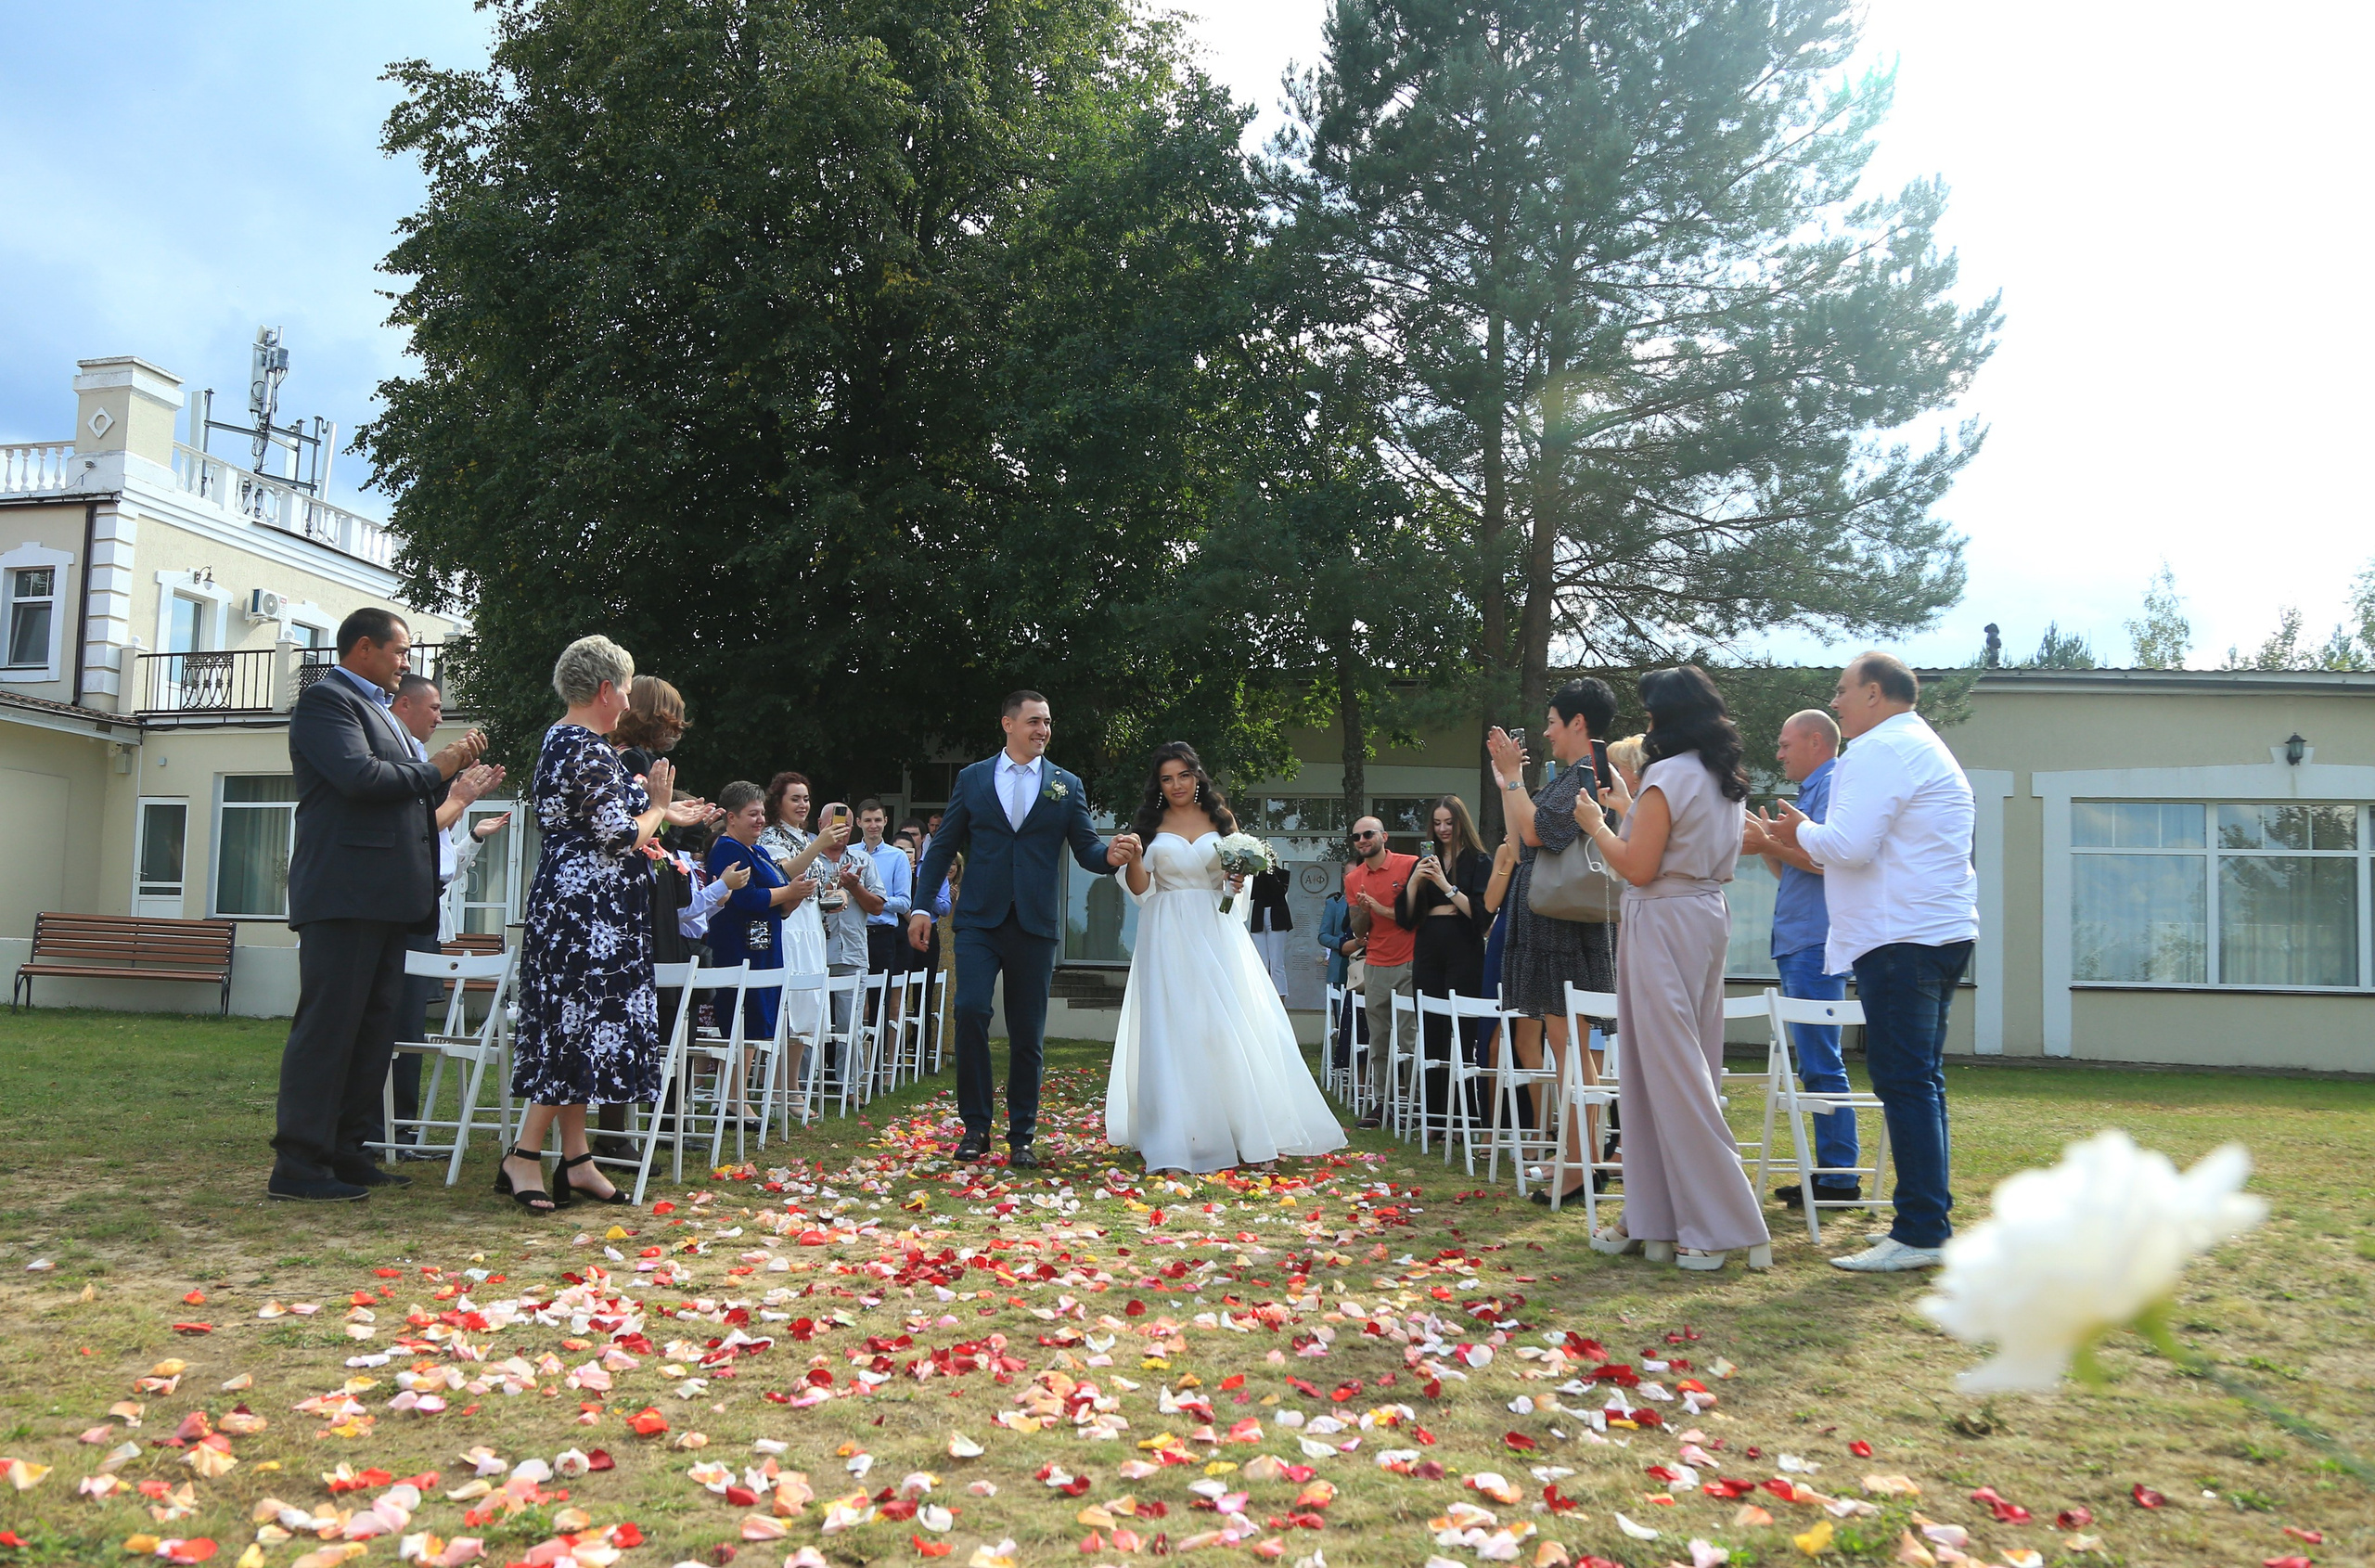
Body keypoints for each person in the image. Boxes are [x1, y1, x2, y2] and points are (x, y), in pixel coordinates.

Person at [1764, 653, 1979, 1274]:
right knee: (1920, 1081)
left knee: (1904, 1082)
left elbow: (1849, 847)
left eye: (1842, 690)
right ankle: (1927, 1221)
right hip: (1937, 932)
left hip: (1899, 938)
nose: (1835, 702)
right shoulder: (1924, 745)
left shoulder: (1877, 749)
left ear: (1875, 694)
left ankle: (1921, 1230)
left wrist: (1799, 831)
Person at [269, 608, 486, 1202]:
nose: (406, 662)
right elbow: (362, 780)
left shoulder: (381, 711)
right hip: (346, 895)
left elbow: (404, 793)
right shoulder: (327, 702)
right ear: (363, 648)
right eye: (400, 651)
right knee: (330, 1030)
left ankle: (348, 1150)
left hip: (389, 899)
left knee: (372, 1033)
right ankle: (299, 1163)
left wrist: (444, 774)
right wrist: (439, 766)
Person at [1571, 666, 1771, 1270]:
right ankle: (1655, 1216)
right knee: (1673, 1066)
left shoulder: (1668, 776)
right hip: (1704, 915)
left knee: (1672, 1071)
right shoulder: (1723, 779)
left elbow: (1637, 866)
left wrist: (1597, 826)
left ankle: (1720, 1222)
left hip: (1662, 918)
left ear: (1666, 716)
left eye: (1651, 711)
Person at [502, 636, 710, 1214]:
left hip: (584, 908)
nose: (628, 700)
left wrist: (662, 812)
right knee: (575, 1027)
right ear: (604, 690)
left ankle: (577, 1159)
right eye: (624, 688)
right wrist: (659, 808)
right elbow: (617, 835)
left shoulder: (572, 741)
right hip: (586, 914)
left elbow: (610, 820)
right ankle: (523, 1154)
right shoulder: (584, 746)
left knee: (581, 1028)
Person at [909, 690, 1134, 1168]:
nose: (1043, 730)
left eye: (1047, 722)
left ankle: (1022, 1136)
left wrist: (1111, 856)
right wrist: (921, 908)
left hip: (1034, 923)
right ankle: (975, 1128)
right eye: (1034, 721)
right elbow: (943, 846)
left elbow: (1087, 849)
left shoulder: (1066, 784)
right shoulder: (973, 778)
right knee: (970, 1010)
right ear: (1008, 724)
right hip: (978, 920)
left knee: (1027, 1033)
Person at [1105, 743, 1346, 1174]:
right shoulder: (1149, 825)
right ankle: (1176, 1138)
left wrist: (1237, 879)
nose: (1176, 785)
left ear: (1197, 776)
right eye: (1167, 778)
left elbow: (1237, 884)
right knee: (1173, 1028)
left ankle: (1248, 1132)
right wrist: (1137, 858)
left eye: (1183, 775)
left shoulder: (1221, 820)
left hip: (1216, 930)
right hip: (1166, 932)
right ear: (1158, 784)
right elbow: (1140, 889)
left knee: (1225, 1025)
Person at [1483, 678, 1619, 1186]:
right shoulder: (1569, 776)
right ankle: (1579, 1156)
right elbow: (1519, 840)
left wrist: (1515, 779)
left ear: (1577, 722)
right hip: (1549, 925)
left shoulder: (1588, 773)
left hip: (1564, 931)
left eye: (1553, 722)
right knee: (1566, 1047)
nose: (1546, 732)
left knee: (1570, 1047)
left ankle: (1581, 1163)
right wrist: (1507, 782)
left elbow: (1539, 832)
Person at [382, 671, 506, 1159]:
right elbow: (412, 834)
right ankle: (386, 1130)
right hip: (396, 909)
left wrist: (466, 816)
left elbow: (440, 854)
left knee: (410, 1025)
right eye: (433, 708)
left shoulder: (419, 763)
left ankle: (402, 1129)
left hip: (424, 906)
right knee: (395, 1026)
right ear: (404, 706)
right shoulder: (397, 760)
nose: (439, 717)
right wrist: (457, 799)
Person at [1740, 709, 1859, 1208]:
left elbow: (1827, 862)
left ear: (1816, 741)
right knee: (1815, 1060)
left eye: (1786, 745)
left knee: (1821, 1060)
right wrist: (1766, 844)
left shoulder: (1833, 787)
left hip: (1815, 941)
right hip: (1798, 939)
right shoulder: (1812, 792)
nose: (1779, 754)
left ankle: (1839, 1177)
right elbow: (1793, 871)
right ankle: (1832, 1172)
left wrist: (1771, 842)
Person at [706, 781, 841, 1121]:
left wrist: (793, 896)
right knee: (742, 1021)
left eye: (761, 814)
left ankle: (738, 1098)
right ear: (732, 818)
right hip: (738, 947)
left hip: (765, 946)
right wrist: (789, 893)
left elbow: (778, 893)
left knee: (757, 1021)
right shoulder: (727, 849)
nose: (760, 820)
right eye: (752, 815)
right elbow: (746, 898)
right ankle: (734, 1099)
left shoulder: (758, 852)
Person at [1401, 795, 1491, 1126]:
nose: (1443, 829)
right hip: (1428, 948)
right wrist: (1414, 882)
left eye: (1449, 823)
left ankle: (1462, 1116)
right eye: (1437, 823)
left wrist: (1445, 886)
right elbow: (1407, 918)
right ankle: (1435, 1118)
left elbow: (1481, 916)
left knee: (1461, 1031)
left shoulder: (1479, 861)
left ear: (1461, 823)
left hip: (1464, 949)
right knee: (1430, 1029)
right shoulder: (1424, 861)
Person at [1342, 815, 1416, 1129]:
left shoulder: (1409, 865)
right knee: (1379, 1039)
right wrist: (1363, 911)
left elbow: (1414, 915)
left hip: (1411, 960)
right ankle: (1383, 1104)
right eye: (1356, 837)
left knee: (1410, 1038)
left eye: (1368, 834)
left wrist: (1378, 906)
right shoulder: (1353, 878)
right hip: (1375, 964)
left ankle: (1416, 1105)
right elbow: (1359, 930)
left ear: (1384, 836)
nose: (1362, 841)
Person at [855, 799, 915, 1035]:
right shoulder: (849, 853)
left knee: (880, 1003)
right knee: (851, 1000)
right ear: (858, 822)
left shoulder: (897, 857)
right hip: (853, 934)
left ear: (886, 822)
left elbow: (904, 902)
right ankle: (848, 1055)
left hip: (882, 935)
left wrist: (873, 901)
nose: (873, 825)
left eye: (878, 820)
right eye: (868, 820)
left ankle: (878, 1056)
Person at [1316, 870, 1360, 1073]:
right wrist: (1343, 944)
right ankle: (1344, 1066)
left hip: (1363, 968)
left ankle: (1360, 1069)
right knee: (1343, 1020)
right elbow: (1323, 935)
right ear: (1344, 878)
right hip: (1341, 967)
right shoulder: (1335, 903)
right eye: (1350, 874)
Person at [1245, 863, 1294, 997]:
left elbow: (1279, 892)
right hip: (1259, 917)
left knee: (1276, 961)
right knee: (1261, 961)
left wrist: (1270, 873)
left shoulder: (1283, 874)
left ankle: (1280, 995)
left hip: (1277, 918)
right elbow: (1252, 894)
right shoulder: (1257, 875)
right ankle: (1262, 995)